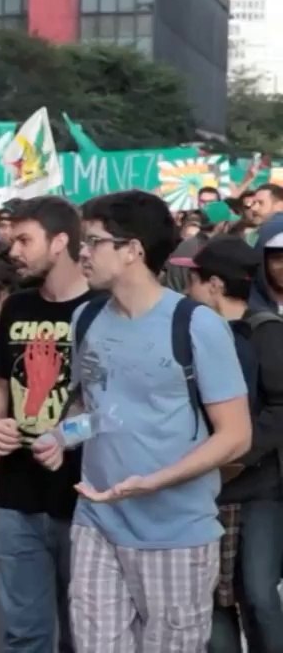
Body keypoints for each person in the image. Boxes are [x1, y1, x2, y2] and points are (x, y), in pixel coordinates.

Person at [34, 190, 251, 651]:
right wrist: (60, 438)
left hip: (177, 531)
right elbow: (96, 410)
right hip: (97, 518)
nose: (82, 253)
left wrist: (154, 482)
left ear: (132, 250)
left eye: (93, 241)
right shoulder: (85, 318)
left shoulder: (197, 325)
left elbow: (235, 436)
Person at [0, 196, 100, 653]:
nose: (13, 251)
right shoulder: (16, 307)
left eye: (25, 240)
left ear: (60, 242)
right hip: (16, 495)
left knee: (83, 634)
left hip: (83, 498)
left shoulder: (100, 310)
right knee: (23, 634)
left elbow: (115, 409)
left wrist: (67, 437)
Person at [171, 236, 283, 652]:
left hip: (260, 490)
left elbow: (280, 408)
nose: (187, 289)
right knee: (212, 599)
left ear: (215, 285)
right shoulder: (196, 333)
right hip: (205, 489)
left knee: (258, 592)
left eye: (194, 279)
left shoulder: (265, 333)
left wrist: (236, 451)